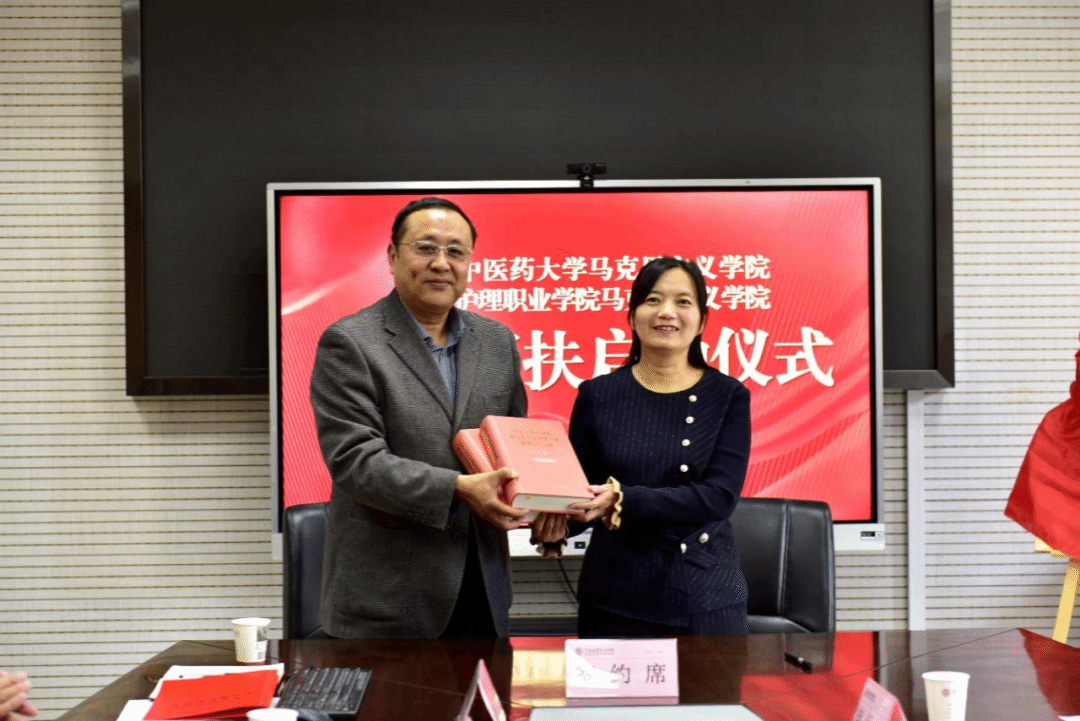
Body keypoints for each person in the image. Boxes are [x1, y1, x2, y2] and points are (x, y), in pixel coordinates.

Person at [310, 197, 565, 639]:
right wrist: (458, 488)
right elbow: (355, 461)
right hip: (388, 598)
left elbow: (514, 445)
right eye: (425, 248)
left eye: (456, 251)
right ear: (393, 256)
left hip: (483, 590)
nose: (441, 263)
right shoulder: (350, 342)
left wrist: (548, 505)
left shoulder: (497, 342)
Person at [567, 256, 752, 637]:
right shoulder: (597, 395)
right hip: (612, 597)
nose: (667, 312)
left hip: (704, 598)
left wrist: (624, 498)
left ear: (702, 320)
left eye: (683, 301)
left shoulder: (727, 396)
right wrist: (549, 521)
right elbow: (578, 490)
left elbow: (718, 497)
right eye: (652, 300)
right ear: (632, 316)